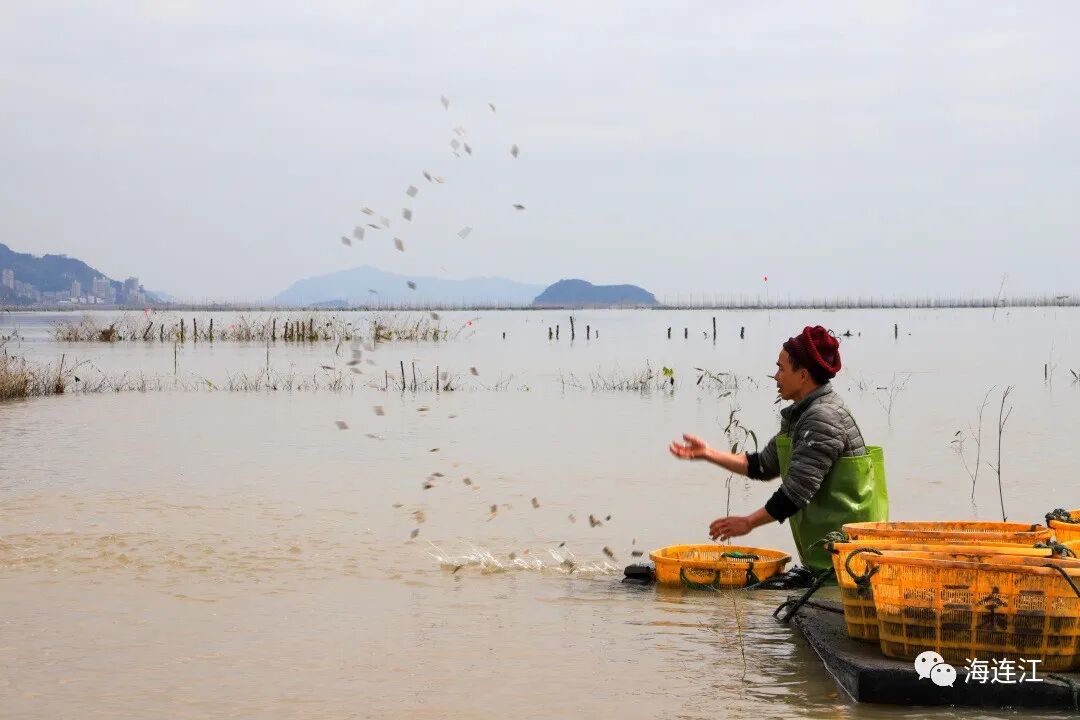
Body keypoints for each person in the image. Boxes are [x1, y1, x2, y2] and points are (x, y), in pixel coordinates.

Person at [668, 325, 888, 576]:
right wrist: (708, 453)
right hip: (830, 555)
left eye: (781, 369)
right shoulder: (801, 413)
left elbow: (795, 493)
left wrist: (748, 522)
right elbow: (763, 465)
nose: (776, 376)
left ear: (803, 375)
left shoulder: (822, 417)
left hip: (851, 559)